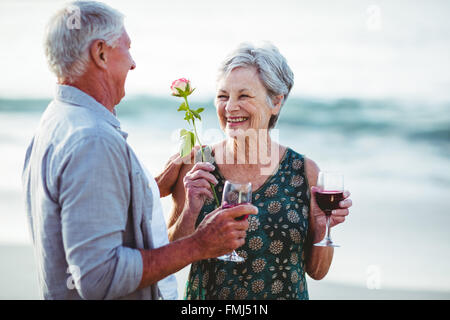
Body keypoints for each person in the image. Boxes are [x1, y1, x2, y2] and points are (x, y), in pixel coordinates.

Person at [22, 1, 257, 300]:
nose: (133, 63)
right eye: (127, 48)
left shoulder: (55, 120)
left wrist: (151, 185)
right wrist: (200, 244)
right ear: (101, 53)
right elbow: (98, 278)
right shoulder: (92, 140)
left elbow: (90, 207)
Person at [167, 42, 353, 300]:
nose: (230, 107)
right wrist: (190, 211)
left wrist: (322, 227)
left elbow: (318, 271)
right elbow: (167, 259)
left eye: (243, 96)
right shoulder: (197, 164)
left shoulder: (304, 172)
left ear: (276, 102)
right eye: (223, 96)